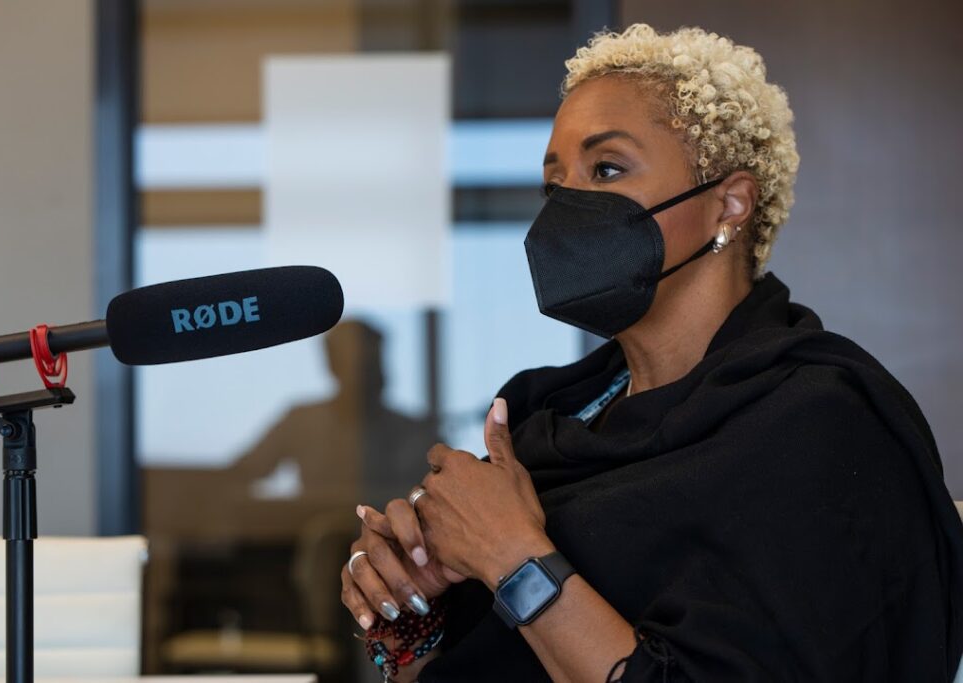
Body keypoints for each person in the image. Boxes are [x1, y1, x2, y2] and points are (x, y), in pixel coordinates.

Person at [339, 24, 963, 681]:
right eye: (556, 184)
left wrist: (516, 558)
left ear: (730, 203)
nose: (568, 206)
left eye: (606, 169)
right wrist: (409, 609)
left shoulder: (820, 423)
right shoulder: (543, 412)